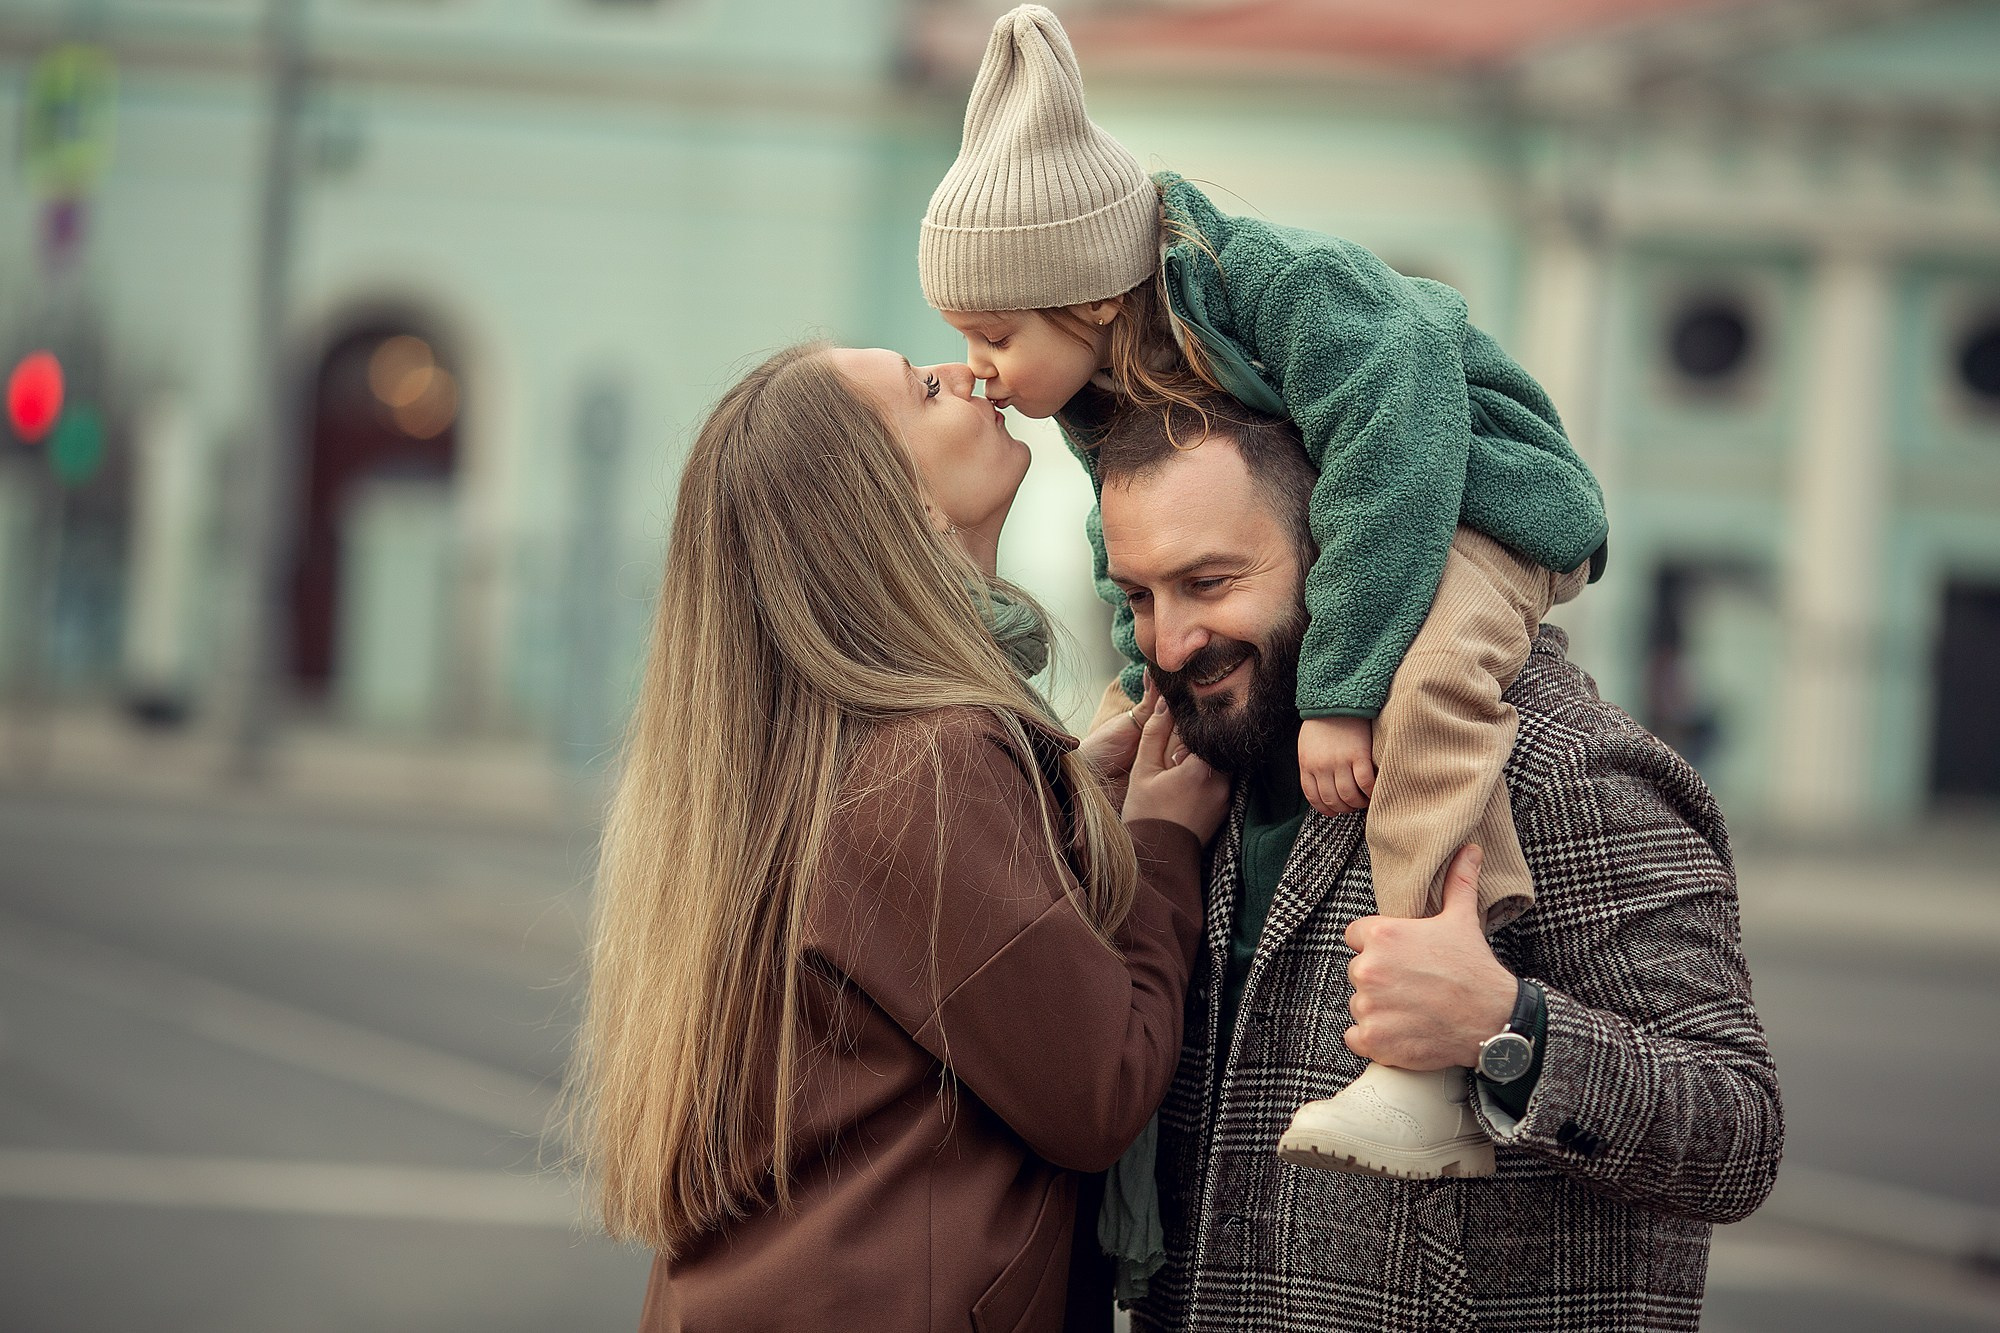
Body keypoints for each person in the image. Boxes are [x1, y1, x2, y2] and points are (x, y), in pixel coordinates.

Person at [918, 3, 1610, 1177]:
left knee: (1433, 686)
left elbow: (1396, 442)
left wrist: (1339, 691)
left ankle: (1427, 1059)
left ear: (1090, 295)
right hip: (1359, 513)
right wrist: (1150, 685)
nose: (979, 370)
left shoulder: (1274, 282)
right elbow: (1120, 533)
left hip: (1475, 494)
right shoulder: (1102, 383)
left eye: (992, 334)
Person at [563, 343, 1231, 1332]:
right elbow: (1100, 1086)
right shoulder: (931, 763)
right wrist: (1160, 844)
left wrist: (1071, 806)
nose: (966, 373)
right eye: (923, 388)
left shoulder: (844, 753)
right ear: (901, 506)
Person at [1093, 401, 1783, 1333]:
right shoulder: (1201, 776)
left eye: (1208, 582)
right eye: (1140, 597)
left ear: (1342, 553)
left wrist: (1505, 1026)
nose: (1169, 643)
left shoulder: (1560, 764)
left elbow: (1738, 1134)